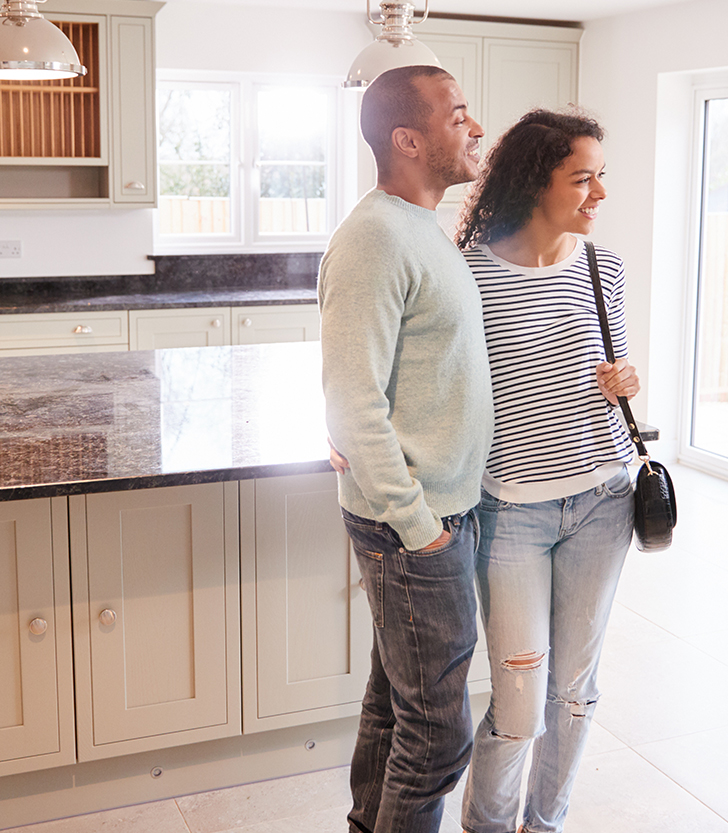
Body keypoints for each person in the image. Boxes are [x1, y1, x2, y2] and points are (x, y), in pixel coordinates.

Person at [455, 109, 640, 833]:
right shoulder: (470, 273)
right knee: (521, 696)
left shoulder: (605, 267)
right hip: (511, 512)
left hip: (603, 497)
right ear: (537, 181)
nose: (598, 194)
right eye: (583, 178)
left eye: (601, 177)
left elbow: (613, 374)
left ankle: (545, 822)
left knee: (573, 691)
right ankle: (490, 825)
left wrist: (624, 381)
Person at [318, 65, 493, 833]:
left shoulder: (422, 227)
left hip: (434, 510)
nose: (475, 126)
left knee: (395, 709)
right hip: (413, 524)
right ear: (408, 139)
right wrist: (419, 525)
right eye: (458, 115)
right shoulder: (374, 239)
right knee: (437, 732)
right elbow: (353, 402)